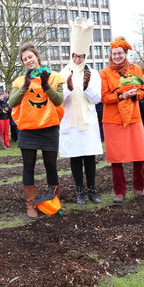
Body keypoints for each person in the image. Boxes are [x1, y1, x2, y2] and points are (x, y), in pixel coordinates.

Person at [9, 42, 64, 217]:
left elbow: (58, 101)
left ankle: (53, 201)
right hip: (28, 128)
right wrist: (25, 85)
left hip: (49, 127)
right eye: (25, 59)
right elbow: (11, 103)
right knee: (28, 167)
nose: (28, 61)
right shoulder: (19, 81)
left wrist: (46, 84)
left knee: (50, 165)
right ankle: (30, 204)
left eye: (30, 57)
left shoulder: (54, 77)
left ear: (37, 57)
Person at [100, 37, 144, 203]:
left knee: (138, 155)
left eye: (119, 53)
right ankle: (119, 192)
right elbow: (104, 97)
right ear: (110, 55)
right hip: (113, 120)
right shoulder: (105, 73)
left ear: (125, 53)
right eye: (114, 54)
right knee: (116, 158)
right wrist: (122, 95)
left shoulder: (135, 69)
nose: (117, 56)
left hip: (133, 117)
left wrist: (134, 94)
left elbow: (142, 90)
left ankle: (139, 187)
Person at [59, 18, 103, 205]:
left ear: (86, 56)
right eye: (75, 56)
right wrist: (68, 88)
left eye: (81, 57)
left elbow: (97, 99)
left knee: (89, 156)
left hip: (88, 120)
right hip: (71, 122)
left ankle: (92, 190)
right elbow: (59, 101)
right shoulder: (62, 73)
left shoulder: (93, 73)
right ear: (71, 55)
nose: (77, 59)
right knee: (76, 157)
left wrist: (86, 86)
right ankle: (79, 191)